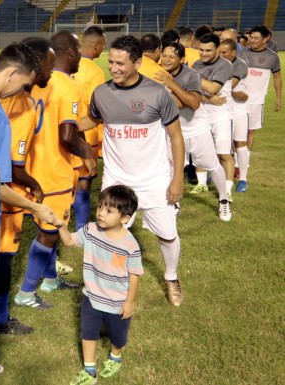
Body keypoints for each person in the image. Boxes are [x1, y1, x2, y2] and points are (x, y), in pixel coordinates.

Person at [81, 35, 186, 307]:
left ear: (138, 63)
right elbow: (90, 120)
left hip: (155, 179)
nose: (113, 68)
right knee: (107, 233)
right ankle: (106, 283)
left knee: (167, 234)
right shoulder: (101, 93)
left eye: (120, 63)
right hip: (116, 178)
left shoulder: (157, 93)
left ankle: (171, 277)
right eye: (111, 62)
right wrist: (58, 126)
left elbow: (176, 136)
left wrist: (177, 180)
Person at [14, 31, 95, 309]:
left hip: (32, 167)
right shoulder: (69, 88)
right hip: (54, 170)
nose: (81, 57)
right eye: (78, 51)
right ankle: (25, 293)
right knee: (49, 231)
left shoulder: (36, 82)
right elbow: (67, 135)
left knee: (47, 225)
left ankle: (49, 279)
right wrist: (89, 155)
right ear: (70, 51)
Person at [0, 37, 55, 336]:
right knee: (2, 259)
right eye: (49, 66)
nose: (52, 73)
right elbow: (14, 164)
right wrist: (35, 186)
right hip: (4, 196)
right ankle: (0, 319)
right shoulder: (20, 106)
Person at [58, 185, 143, 385]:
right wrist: (62, 227)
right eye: (100, 207)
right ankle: (89, 371)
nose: (101, 213)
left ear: (125, 218)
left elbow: (135, 275)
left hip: (116, 302)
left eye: (109, 211)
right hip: (91, 296)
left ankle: (115, 356)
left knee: (118, 337)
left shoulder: (130, 245)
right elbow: (70, 241)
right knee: (87, 333)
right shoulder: (91, 230)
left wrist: (129, 302)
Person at [155, 41, 230, 221]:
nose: (166, 59)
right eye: (164, 55)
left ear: (182, 59)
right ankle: (174, 204)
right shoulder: (156, 74)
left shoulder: (192, 75)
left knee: (212, 165)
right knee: (171, 170)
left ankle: (224, 200)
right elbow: (175, 102)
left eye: (172, 56)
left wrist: (171, 85)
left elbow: (194, 103)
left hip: (197, 130)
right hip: (171, 132)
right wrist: (181, 98)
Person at [190, 32, 235, 210]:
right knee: (200, 152)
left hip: (221, 114)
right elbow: (194, 93)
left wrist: (193, 76)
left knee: (223, 153)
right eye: (201, 50)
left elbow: (213, 87)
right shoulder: (196, 64)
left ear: (217, 49)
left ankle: (227, 189)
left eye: (208, 50)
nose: (203, 53)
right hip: (202, 113)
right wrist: (208, 99)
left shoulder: (225, 65)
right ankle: (201, 183)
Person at [72, 25, 106, 232]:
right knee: (85, 180)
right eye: (103, 45)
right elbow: (97, 107)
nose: (103, 49)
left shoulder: (65, 66)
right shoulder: (94, 71)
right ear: (96, 45)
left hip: (64, 132)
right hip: (87, 133)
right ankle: (81, 228)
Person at [243, 24, 281, 189]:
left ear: (266, 39)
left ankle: (246, 157)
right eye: (251, 37)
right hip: (239, 100)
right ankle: (237, 158)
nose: (252, 40)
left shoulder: (272, 57)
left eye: (256, 38)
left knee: (251, 131)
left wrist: (278, 97)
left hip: (257, 101)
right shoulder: (242, 53)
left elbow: (277, 78)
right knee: (234, 132)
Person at [218, 38, 250, 193]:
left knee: (240, 144)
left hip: (238, 110)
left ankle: (243, 179)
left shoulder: (240, 65)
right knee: (222, 146)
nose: (221, 55)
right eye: (219, 52)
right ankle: (219, 175)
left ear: (234, 52)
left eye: (224, 52)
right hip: (223, 109)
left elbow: (230, 85)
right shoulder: (218, 63)